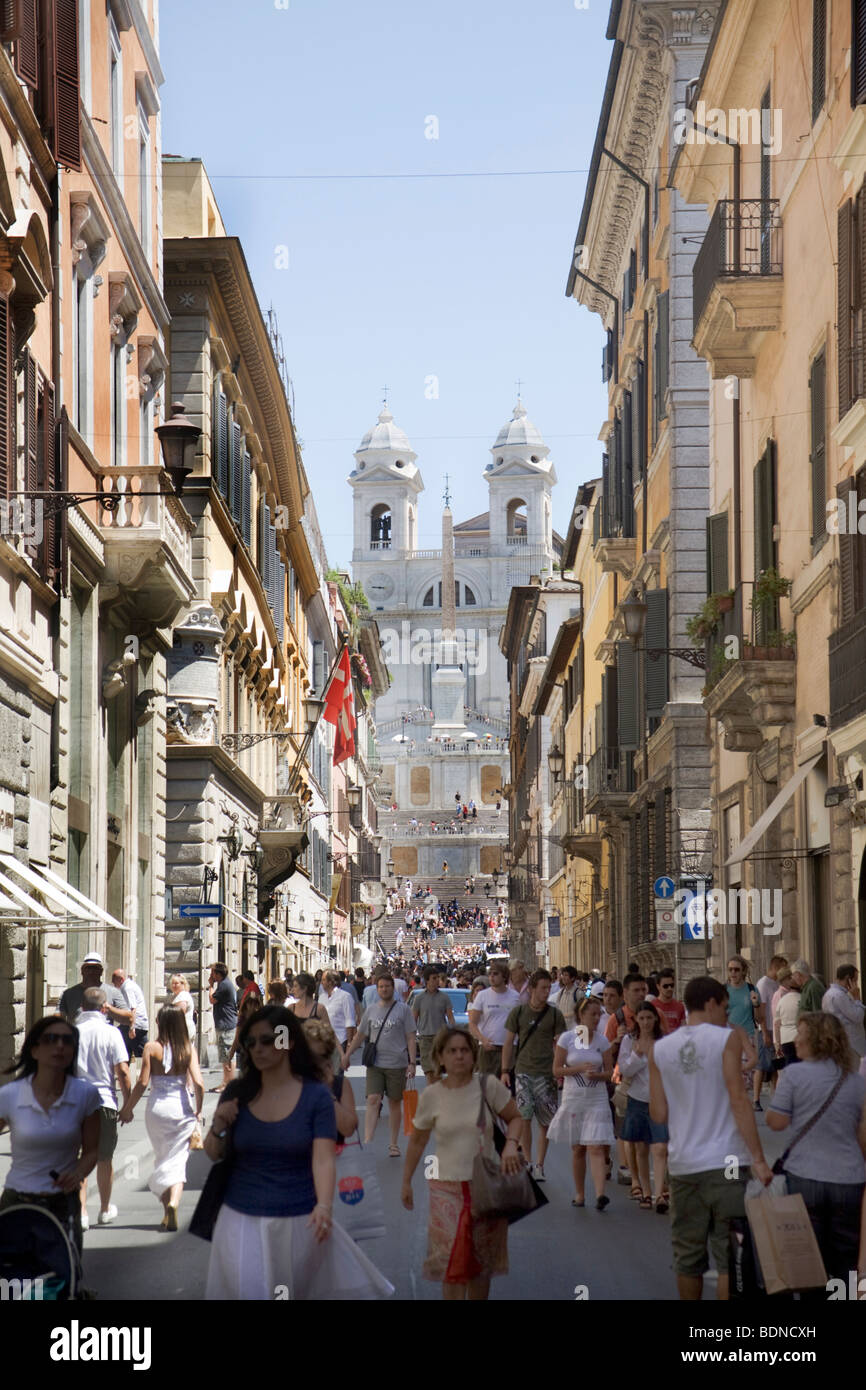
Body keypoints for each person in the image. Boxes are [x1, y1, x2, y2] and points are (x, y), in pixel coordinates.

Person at [203, 1006, 393, 1301]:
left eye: (266, 1040)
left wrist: (325, 1207)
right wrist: (217, 1126)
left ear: (289, 1043)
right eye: (251, 1042)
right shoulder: (238, 1091)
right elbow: (214, 1153)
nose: (257, 1048)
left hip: (299, 1220)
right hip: (240, 1219)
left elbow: (323, 1157)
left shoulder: (315, 1096)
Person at [649, 976, 772, 1301]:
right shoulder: (726, 1039)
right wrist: (759, 1158)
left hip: (683, 1165)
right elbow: (738, 1099)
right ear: (711, 1003)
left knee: (688, 1256)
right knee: (727, 1252)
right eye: (725, 1006)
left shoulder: (660, 1049)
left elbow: (658, 1114)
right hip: (727, 1162)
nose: (726, 1013)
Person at [401, 1027, 523, 1301]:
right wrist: (406, 1181)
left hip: (486, 1187)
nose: (459, 1056)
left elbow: (515, 1117)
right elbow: (418, 1141)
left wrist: (511, 1146)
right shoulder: (432, 1095)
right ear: (440, 1058)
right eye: (452, 1051)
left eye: (465, 1050)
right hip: (446, 1190)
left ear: (473, 1055)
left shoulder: (487, 1086)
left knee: (480, 1265)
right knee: (451, 1264)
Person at [766, 1012, 866, 1282]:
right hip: (849, 1179)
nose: (795, 1040)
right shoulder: (857, 1082)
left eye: (801, 1034)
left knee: (810, 1261)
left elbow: (776, 1122)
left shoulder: (793, 1075)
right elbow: (862, 1136)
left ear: (816, 1041)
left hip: (804, 1176)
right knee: (846, 1262)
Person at [0, 1015, 100, 1255]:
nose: (59, 1046)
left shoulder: (86, 1094)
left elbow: (92, 1150)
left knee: (63, 1277)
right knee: (14, 1281)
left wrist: (77, 1174)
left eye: (67, 1040)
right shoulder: (10, 1095)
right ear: (34, 1050)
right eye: (51, 1039)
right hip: (18, 1201)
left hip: (62, 1203)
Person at [118, 1004, 204, 1229]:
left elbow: (143, 1083)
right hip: (181, 1108)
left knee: (162, 1157)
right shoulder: (188, 1049)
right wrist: (199, 1110)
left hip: (157, 1110)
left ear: (160, 1023)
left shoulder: (150, 1047)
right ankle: (173, 1204)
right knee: (177, 1161)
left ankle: (167, 1211)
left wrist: (128, 1108)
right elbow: (199, 1083)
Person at [548, 995, 615, 1209]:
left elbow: (610, 1072)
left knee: (595, 1146)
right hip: (574, 1097)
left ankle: (600, 1194)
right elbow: (557, 1070)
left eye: (599, 1014)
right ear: (581, 1015)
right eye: (592, 1014)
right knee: (578, 1148)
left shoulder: (602, 1041)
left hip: (597, 1098)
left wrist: (598, 1075)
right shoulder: (567, 1039)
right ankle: (579, 1193)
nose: (596, 1019)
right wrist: (578, 1069)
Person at [501, 968, 566, 1181]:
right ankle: (528, 1161)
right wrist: (504, 1071)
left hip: (546, 1074)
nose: (546, 992)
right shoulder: (518, 1013)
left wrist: (560, 1071)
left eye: (549, 988)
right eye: (543, 988)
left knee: (545, 1122)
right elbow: (509, 1043)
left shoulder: (554, 1014)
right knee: (525, 1118)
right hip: (523, 1073)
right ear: (532, 989)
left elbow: (560, 1044)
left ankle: (540, 1163)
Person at [74, 988, 131, 1229]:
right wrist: (127, 1104)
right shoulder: (112, 1033)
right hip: (104, 1102)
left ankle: (82, 1213)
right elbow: (123, 1071)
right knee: (104, 1159)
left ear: (82, 1007)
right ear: (104, 1008)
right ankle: (105, 1209)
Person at [343, 974, 417, 1154]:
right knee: (373, 1099)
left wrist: (412, 1062)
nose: (384, 989)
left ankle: (393, 1143)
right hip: (375, 1063)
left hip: (397, 1063)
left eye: (387, 986)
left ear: (393, 988)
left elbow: (410, 1036)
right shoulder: (371, 1010)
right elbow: (360, 1035)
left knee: (394, 1102)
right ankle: (368, 1139)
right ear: (377, 989)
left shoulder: (403, 1010)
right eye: (381, 986)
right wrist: (347, 1054)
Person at [617, 1002, 669, 1212]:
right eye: (642, 1018)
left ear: (655, 1019)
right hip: (637, 1098)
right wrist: (638, 1055)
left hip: (659, 1099)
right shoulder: (629, 1041)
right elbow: (625, 1070)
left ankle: (658, 1194)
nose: (646, 1022)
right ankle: (646, 1192)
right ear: (636, 1020)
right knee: (640, 1147)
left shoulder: (664, 1041)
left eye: (649, 1018)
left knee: (660, 1146)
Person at [301, 1017, 358, 1140]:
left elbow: (348, 1129)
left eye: (321, 1056)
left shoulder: (339, 1084)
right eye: (309, 1055)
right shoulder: (292, 1082)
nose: (314, 1062)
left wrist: (327, 1091)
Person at [467, 962, 520, 1077]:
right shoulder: (482, 996)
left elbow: (520, 1023)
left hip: (510, 1047)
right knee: (488, 1089)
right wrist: (483, 1039)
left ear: (504, 977)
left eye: (495, 974)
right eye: (490, 974)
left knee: (509, 1090)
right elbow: (472, 1023)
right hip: (488, 1048)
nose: (491, 977)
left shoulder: (515, 996)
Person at [59, 953, 133, 1032]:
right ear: (82, 971)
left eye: (95, 968)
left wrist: (109, 1009)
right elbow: (58, 1019)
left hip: (103, 1040)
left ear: (101, 971)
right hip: (77, 1041)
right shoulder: (68, 994)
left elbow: (129, 1018)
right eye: (88, 968)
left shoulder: (113, 992)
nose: (91, 972)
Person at [412, 965, 456, 1082]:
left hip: (440, 1038)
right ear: (427, 981)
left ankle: (436, 1096)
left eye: (437, 978)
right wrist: (411, 1037)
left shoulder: (444, 997)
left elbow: (450, 1017)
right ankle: (433, 1096)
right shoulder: (419, 998)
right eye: (434, 978)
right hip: (425, 1038)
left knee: (437, 1071)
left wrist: (453, 1034)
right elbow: (414, 1019)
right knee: (428, 1071)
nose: (437, 980)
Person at [753, 954, 787, 1099]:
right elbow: (761, 1009)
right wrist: (765, 1032)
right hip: (767, 1029)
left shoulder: (775, 983)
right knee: (762, 1066)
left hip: (776, 1030)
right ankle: (756, 1098)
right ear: (775, 968)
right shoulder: (763, 984)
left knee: (775, 1065)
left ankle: (775, 1096)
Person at [822, 965, 866, 1073]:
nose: (856, 984)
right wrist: (857, 999)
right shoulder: (839, 995)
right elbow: (857, 1016)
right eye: (855, 980)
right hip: (851, 1044)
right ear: (848, 979)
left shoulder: (830, 994)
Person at [112, 969, 149, 1073]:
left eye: (114, 980)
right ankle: (123, 1075)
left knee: (146, 1053)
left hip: (135, 1025)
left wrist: (132, 1027)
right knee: (124, 1053)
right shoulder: (130, 985)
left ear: (121, 979)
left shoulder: (127, 988)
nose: (113, 983)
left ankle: (162, 1070)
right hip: (134, 1024)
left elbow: (132, 1008)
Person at [208, 963, 238, 1093]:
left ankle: (229, 1084)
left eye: (212, 973)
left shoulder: (224, 985)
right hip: (225, 1023)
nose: (211, 975)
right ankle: (225, 1082)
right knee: (224, 1055)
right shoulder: (224, 984)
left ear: (218, 974)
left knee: (228, 1055)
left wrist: (210, 985)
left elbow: (212, 999)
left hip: (226, 1024)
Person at [321, 971, 357, 1058]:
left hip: (340, 1040)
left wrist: (349, 1043)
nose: (321, 983)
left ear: (330, 982)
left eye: (323, 980)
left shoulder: (345, 997)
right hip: (324, 1042)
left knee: (337, 1071)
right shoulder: (322, 998)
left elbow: (350, 1021)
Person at [773, 968, 801, 1066]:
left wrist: (778, 1043)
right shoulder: (800, 999)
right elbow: (776, 1023)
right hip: (798, 1036)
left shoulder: (782, 1000)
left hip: (785, 1038)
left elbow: (776, 1023)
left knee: (790, 1066)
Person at [650, 970, 685, 1035]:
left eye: (671, 985)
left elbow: (683, 1028)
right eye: (665, 986)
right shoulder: (652, 1006)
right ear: (658, 986)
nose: (669, 988)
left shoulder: (680, 1006)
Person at [168, 973, 197, 1040]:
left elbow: (179, 1013)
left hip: (183, 1029)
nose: (173, 985)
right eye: (172, 983)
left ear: (183, 984)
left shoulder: (183, 995)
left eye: (176, 983)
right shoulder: (177, 996)